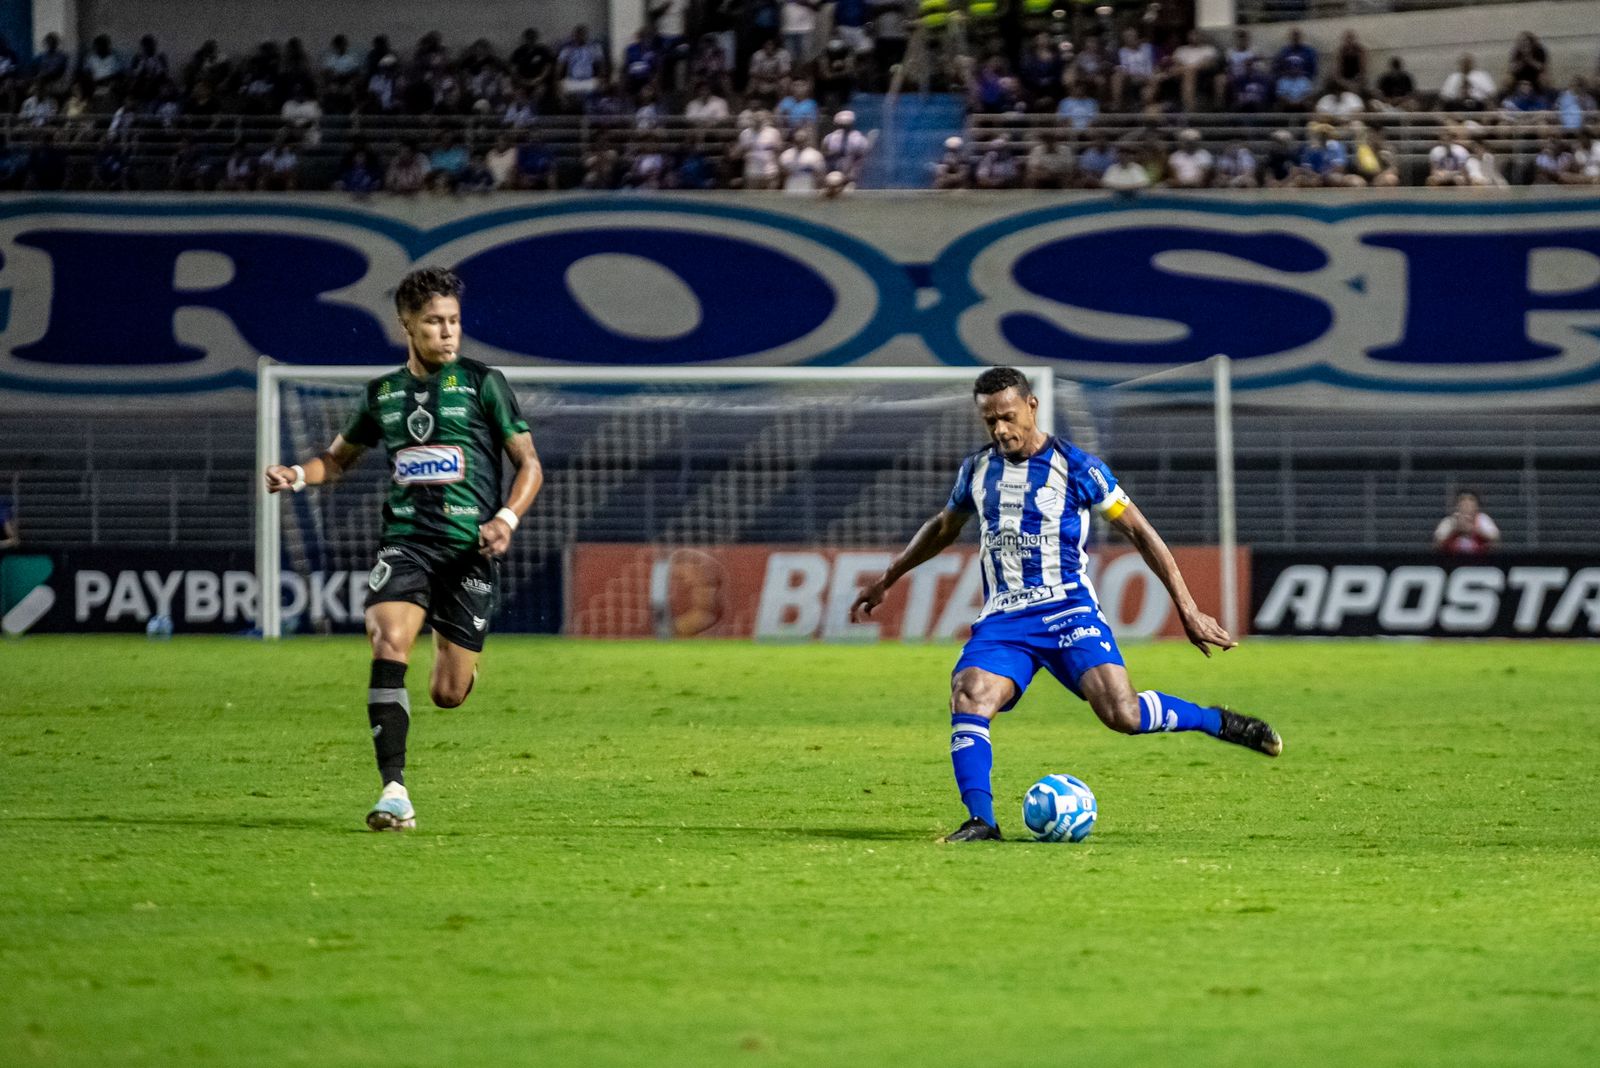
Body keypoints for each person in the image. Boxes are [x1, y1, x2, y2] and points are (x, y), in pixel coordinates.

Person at [851, 368, 1282, 842]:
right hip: (1005, 618)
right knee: (969, 694)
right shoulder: (976, 470)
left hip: (1068, 611)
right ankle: (981, 821)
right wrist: (888, 578)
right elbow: (942, 528)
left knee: (1124, 715)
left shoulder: (1078, 467)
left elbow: (1140, 532)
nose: (1000, 430)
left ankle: (1217, 721)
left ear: (1032, 406)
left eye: (1008, 417)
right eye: (990, 421)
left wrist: (1189, 609)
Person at [262, 267, 543, 831]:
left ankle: (458, 662)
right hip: (406, 545)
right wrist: (296, 473)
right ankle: (395, 791)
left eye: (454, 321)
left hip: (468, 553)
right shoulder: (383, 395)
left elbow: (530, 464)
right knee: (388, 642)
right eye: (435, 322)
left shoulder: (483, 383)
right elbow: (338, 460)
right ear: (407, 327)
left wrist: (507, 519)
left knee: (448, 693)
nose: (448, 332)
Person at [1433, 492, 1500, 555]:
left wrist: (1474, 530)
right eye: (1462, 500)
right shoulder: (1449, 521)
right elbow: (1436, 545)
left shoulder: (1482, 519)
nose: (1466, 503)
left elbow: (1496, 542)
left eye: (1471, 500)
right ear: (1457, 506)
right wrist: (1455, 529)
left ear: (1477, 506)